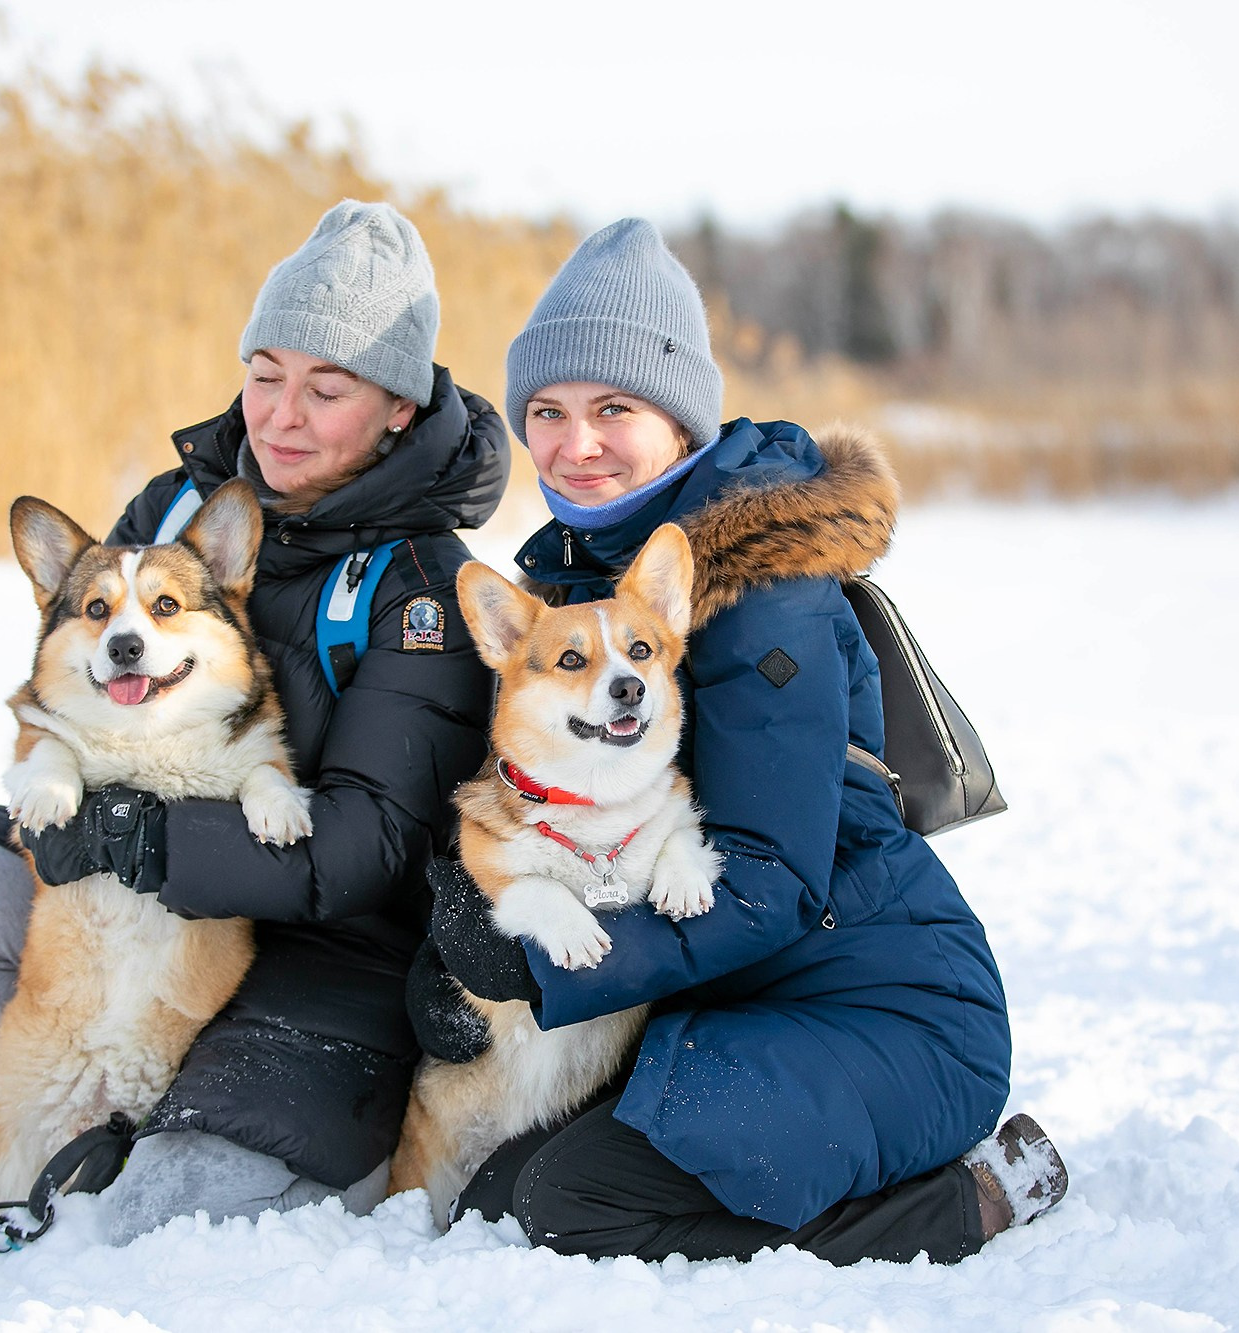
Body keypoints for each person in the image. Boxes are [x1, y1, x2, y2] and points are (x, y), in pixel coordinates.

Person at [410, 218, 1066, 1266]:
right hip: (740, 1009)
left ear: (679, 421)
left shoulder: (764, 601)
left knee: (566, 1209)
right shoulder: (590, 585)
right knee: (495, 1201)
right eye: (546, 412)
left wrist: (540, 973)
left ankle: (966, 1199)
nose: (573, 444)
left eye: (611, 409)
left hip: (886, 1019)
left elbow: (766, 884)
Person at [0, 200, 508, 1243]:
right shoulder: (174, 507)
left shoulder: (419, 585)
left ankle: (226, 1131)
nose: (280, 415)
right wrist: (51, 789)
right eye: (263, 373)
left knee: (174, 1205)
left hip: (328, 954)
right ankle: (96, 1095)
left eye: (326, 387)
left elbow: (365, 850)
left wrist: (138, 839)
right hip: (141, 917)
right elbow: (68, 679)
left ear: (398, 406)